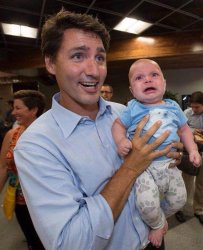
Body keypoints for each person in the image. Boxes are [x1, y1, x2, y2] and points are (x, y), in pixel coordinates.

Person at [14, 10, 183, 250]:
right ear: (51, 63)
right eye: (78, 56)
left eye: (100, 58)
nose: (94, 70)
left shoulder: (122, 112)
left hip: (154, 241)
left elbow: (157, 165)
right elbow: (70, 243)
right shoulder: (36, 145)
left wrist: (167, 153)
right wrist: (132, 166)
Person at [112, 59, 202, 247]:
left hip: (170, 165)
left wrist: (192, 149)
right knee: (146, 205)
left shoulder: (173, 107)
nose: (147, 80)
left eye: (154, 75)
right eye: (139, 77)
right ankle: (157, 223)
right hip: (143, 168)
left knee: (179, 200)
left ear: (164, 82)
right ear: (131, 89)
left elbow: (185, 130)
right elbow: (118, 125)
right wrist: (121, 140)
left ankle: (160, 218)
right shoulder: (133, 108)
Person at [0, 90, 46, 250]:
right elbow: (3, 167)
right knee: (32, 239)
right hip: (21, 202)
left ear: (33, 110)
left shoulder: (49, 133)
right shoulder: (12, 135)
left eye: (18, 108)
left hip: (46, 201)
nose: (13, 112)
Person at [175, 91, 203, 225]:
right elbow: (180, 129)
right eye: (192, 106)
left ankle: (199, 210)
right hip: (189, 151)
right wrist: (193, 131)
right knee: (186, 181)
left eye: (197, 107)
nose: (194, 109)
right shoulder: (186, 113)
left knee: (201, 183)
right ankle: (180, 208)